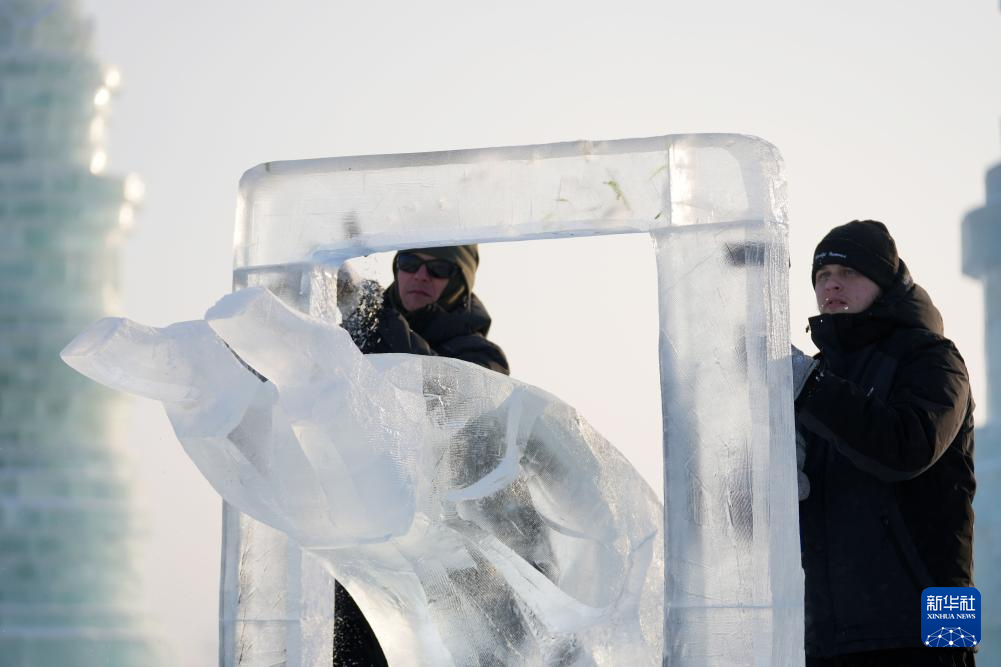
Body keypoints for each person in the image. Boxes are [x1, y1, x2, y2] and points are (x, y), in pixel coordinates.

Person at [793, 220, 976, 666]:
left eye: (848, 272)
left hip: (934, 630)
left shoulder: (934, 358)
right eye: (822, 275)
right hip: (829, 638)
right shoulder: (813, 377)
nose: (831, 283)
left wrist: (811, 389)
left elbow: (906, 447)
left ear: (884, 284)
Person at [335, 244, 509, 665]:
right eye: (409, 264)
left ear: (460, 282)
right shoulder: (352, 333)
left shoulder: (481, 358)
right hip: (352, 538)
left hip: (435, 562)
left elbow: (434, 388)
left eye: (439, 269)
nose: (420, 276)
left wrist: (372, 312)